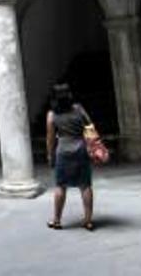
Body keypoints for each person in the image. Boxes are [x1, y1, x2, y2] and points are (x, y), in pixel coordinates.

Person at [46, 83, 94, 231]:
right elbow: (89, 126)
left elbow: (50, 138)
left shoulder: (52, 115)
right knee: (85, 185)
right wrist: (92, 146)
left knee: (60, 186)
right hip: (81, 149)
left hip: (63, 151)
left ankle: (57, 220)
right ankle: (88, 221)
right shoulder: (78, 109)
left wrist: (50, 155)